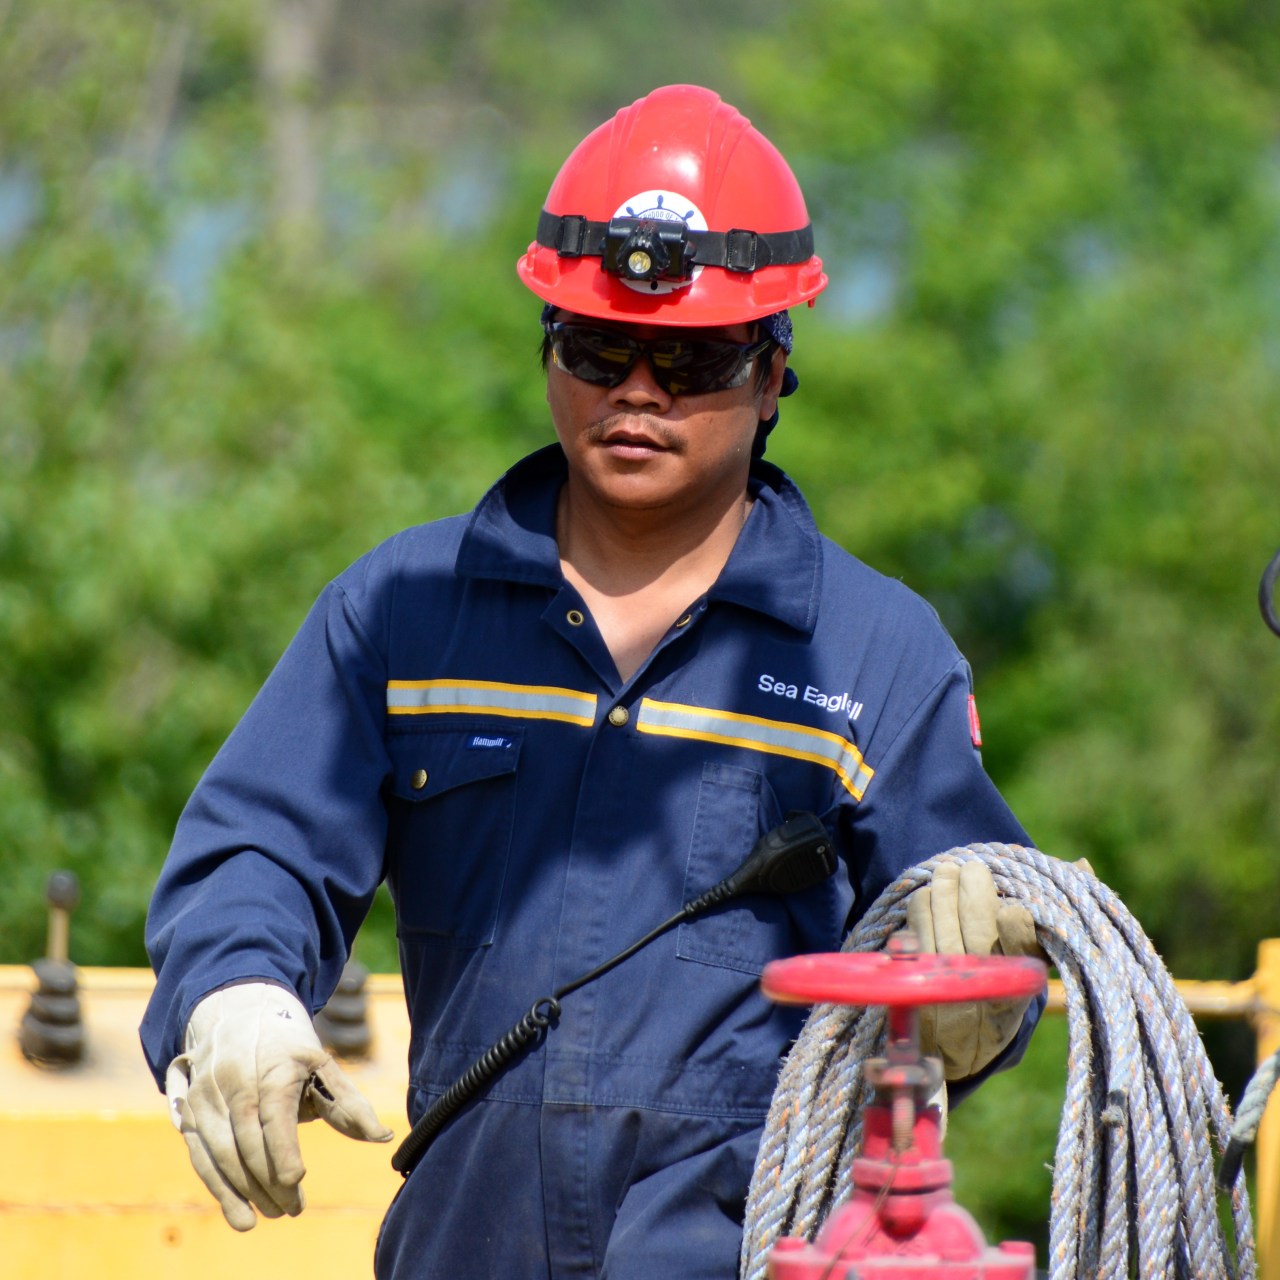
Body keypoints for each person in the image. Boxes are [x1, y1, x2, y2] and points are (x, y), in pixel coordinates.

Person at [141, 84, 1042, 1279]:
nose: (637, 391)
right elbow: (255, 848)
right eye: (598, 349)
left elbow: (980, 936)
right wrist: (235, 994)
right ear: (547, 350)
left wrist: (973, 1010)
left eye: (690, 359)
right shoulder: (405, 615)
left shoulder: (875, 657)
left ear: (774, 373)